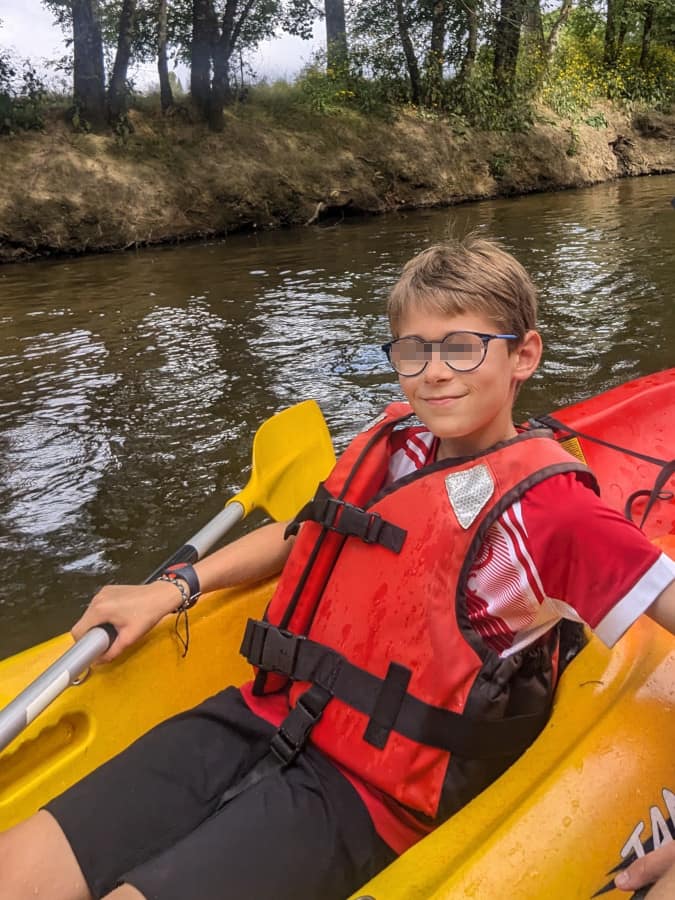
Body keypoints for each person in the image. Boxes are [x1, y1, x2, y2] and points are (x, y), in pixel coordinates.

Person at [1, 235, 674, 900]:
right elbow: (305, 537)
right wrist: (174, 588)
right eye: (413, 350)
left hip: (369, 798)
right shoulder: (398, 445)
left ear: (523, 354)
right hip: (259, 712)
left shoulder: (553, 514)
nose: (433, 372)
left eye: (462, 347)